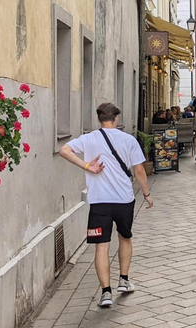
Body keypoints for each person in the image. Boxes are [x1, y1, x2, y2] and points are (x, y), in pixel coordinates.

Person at [58, 103, 153, 308]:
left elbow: (64, 150)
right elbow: (139, 171)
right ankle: (124, 280)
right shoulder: (128, 140)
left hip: (99, 200)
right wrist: (146, 193)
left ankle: (106, 293)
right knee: (125, 238)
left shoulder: (89, 138)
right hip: (124, 199)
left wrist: (86, 165)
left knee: (102, 246)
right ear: (116, 118)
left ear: (99, 119)